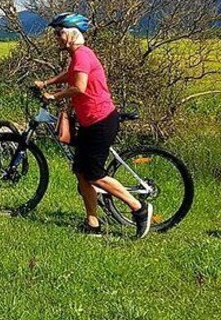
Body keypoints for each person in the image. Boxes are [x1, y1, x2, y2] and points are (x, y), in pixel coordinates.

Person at [35, 12, 153, 239]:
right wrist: (46, 82)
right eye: (56, 34)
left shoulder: (81, 54)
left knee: (94, 175)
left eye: (59, 33)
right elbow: (71, 74)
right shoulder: (79, 56)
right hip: (90, 122)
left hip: (101, 121)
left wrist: (54, 96)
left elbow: (78, 86)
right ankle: (92, 222)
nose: (57, 38)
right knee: (81, 172)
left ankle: (138, 208)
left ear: (71, 34)